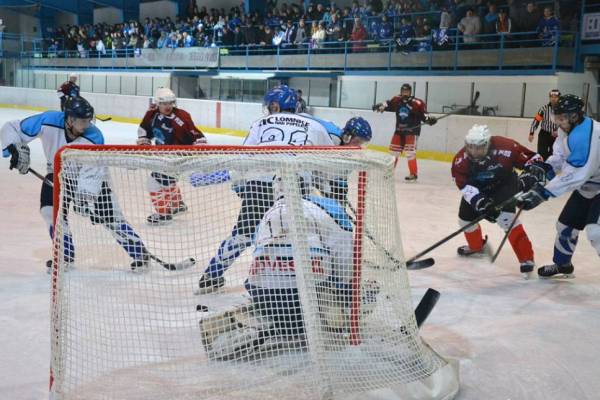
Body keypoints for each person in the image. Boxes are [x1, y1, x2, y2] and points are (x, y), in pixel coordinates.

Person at [199, 189, 378, 360]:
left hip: (263, 296)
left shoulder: (268, 211)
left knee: (269, 284)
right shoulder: (326, 206)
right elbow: (344, 252)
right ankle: (332, 313)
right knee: (363, 292)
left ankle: (268, 321)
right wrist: (346, 289)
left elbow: (254, 250)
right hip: (310, 298)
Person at [193, 85, 335, 293]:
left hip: (259, 184)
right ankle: (298, 282)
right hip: (295, 187)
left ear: (275, 106)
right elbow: (329, 162)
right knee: (294, 234)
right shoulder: (315, 126)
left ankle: (211, 275)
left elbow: (244, 157)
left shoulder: (261, 123)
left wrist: (240, 183)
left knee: (243, 233)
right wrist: (326, 185)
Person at [1, 97, 151, 272]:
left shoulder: (94, 136)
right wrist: (14, 148)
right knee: (50, 213)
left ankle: (140, 253)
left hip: (92, 178)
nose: (86, 125)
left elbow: (92, 172)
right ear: (70, 119)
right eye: (82, 121)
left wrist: (85, 198)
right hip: (57, 173)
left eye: (88, 120)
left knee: (112, 219)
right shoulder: (48, 121)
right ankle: (65, 255)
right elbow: (12, 127)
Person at [517, 95, 600, 278]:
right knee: (565, 226)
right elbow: (560, 157)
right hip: (590, 184)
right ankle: (563, 265)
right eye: (557, 117)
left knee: (596, 233)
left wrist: (542, 193)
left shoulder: (586, 136)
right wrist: (545, 168)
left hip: (591, 182)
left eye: (562, 118)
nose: (559, 122)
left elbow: (576, 175)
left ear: (575, 116)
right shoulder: (567, 129)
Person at [451, 124, 542, 278]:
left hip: (504, 185)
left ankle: (526, 258)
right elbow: (465, 187)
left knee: (506, 220)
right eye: (470, 147)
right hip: (478, 189)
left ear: (488, 144)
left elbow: (534, 159)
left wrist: (531, 174)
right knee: (465, 221)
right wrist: (482, 204)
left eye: (478, 147)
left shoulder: (507, 146)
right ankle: (476, 246)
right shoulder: (460, 161)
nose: (474, 151)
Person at [137, 87, 207, 225]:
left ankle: (163, 215)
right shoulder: (151, 114)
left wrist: (197, 149)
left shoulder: (182, 117)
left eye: (170, 103)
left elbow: (197, 136)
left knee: (153, 183)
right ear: (158, 103)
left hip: (178, 158)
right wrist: (144, 141)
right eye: (164, 103)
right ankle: (177, 205)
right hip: (162, 157)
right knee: (168, 180)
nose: (168, 106)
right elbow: (144, 130)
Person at [373, 83, 437, 181]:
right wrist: (381, 106)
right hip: (399, 130)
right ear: (401, 91)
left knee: (410, 153)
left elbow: (424, 115)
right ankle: (389, 173)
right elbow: (388, 104)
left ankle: (413, 174)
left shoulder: (417, 103)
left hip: (412, 131)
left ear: (410, 92)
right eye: (403, 91)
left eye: (407, 91)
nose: (405, 93)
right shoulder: (397, 99)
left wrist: (429, 119)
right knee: (393, 153)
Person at [529, 89, 560, 160]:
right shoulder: (543, 109)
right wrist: (531, 133)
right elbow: (536, 121)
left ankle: (549, 169)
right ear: (549, 98)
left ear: (559, 98)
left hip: (556, 135)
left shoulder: (562, 110)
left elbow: (565, 123)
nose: (553, 99)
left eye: (555, 97)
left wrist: (559, 132)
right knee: (541, 154)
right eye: (552, 96)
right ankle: (541, 168)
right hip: (544, 134)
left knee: (554, 154)